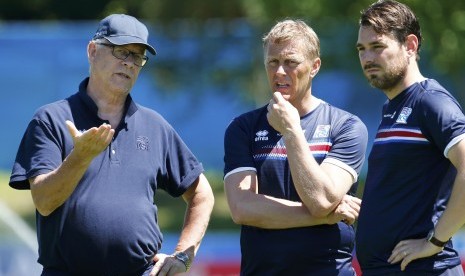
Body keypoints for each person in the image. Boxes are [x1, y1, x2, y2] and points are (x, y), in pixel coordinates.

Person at [9, 14, 214, 276]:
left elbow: (202, 194)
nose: (129, 63)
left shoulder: (155, 126)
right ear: (92, 51)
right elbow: (44, 201)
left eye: (137, 56)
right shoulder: (52, 119)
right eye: (121, 51)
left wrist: (183, 256)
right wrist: (80, 157)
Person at [223, 19, 368, 275]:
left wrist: (291, 130)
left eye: (291, 62)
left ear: (314, 66)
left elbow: (321, 199)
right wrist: (322, 216)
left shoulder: (345, 127)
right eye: (272, 62)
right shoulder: (242, 128)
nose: (279, 71)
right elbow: (242, 208)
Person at [355, 1, 465, 275]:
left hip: (426, 269)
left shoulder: (431, 102)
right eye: (362, 49)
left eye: (377, 47)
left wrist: (435, 242)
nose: (367, 58)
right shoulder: (393, 107)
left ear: (410, 45)